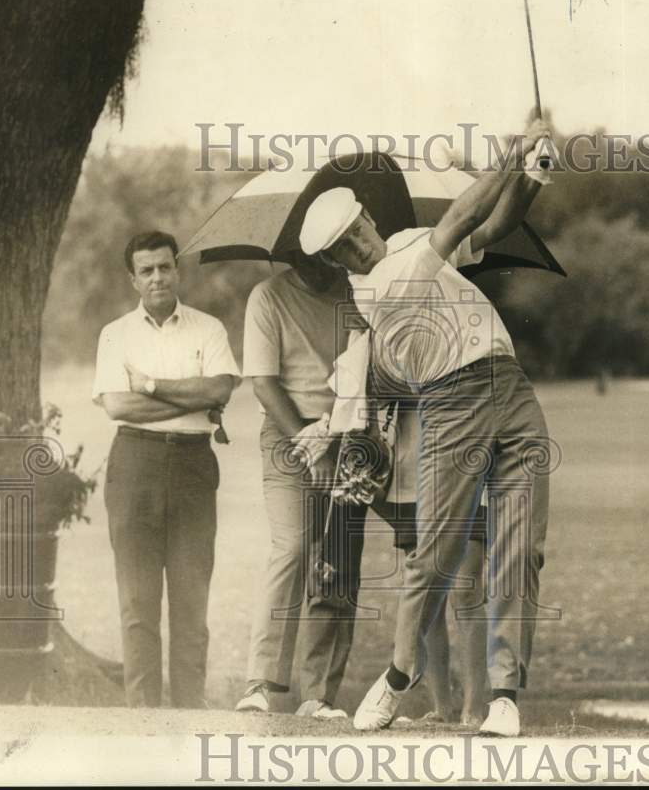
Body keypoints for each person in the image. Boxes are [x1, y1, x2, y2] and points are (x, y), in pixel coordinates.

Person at [299, 117, 554, 737]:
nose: (359, 244)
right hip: (452, 400)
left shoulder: (409, 239)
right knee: (433, 557)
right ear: (338, 261)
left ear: (367, 220)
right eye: (345, 247)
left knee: (521, 546)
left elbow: (494, 225)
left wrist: (533, 176)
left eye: (358, 230)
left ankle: (504, 695)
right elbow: (463, 218)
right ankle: (394, 680)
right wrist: (512, 149)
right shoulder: (376, 288)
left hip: (509, 386)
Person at [92, 230, 241, 708]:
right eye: (146, 270)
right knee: (137, 603)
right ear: (132, 279)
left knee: (191, 600)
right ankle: (143, 719)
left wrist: (153, 386)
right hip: (134, 464)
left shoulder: (208, 329)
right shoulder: (116, 334)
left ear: (177, 269)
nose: (157, 277)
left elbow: (218, 391)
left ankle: (189, 714)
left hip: (194, 465)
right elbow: (117, 405)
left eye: (164, 267)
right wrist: (188, 398)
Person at [234, 251, 367, 720]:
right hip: (287, 430)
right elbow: (265, 385)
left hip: (349, 428)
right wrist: (312, 444)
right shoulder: (267, 297)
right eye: (306, 255)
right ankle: (260, 684)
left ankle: (318, 696)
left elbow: (365, 371)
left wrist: (333, 436)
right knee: (291, 546)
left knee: (336, 556)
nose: (321, 263)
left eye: (329, 254)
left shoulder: (357, 292)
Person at [373, 403, 489, 726]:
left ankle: (474, 708)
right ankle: (442, 708)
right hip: (412, 468)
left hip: (467, 460)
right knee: (427, 596)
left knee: (466, 588)